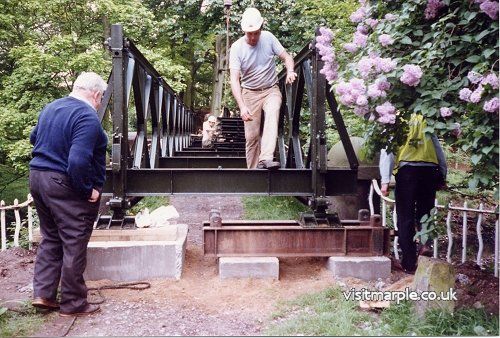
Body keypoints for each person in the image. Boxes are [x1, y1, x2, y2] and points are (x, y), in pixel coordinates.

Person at [29, 71, 108, 316]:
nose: (100, 102)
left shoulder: (51, 107)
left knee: (51, 237)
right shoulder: (86, 116)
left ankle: (43, 295)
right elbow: (77, 161)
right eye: (101, 97)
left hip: (37, 178)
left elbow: (34, 138)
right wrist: (88, 190)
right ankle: (73, 303)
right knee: (74, 241)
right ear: (95, 94)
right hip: (62, 183)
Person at [229, 7, 297, 169]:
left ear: (261, 28)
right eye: (249, 33)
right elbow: (234, 79)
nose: (253, 37)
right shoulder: (237, 48)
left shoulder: (269, 38)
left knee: (273, 112)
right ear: (244, 31)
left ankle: (265, 158)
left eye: (256, 33)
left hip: (270, 90)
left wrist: (290, 71)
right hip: (250, 94)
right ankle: (253, 175)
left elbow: (287, 57)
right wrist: (242, 106)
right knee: (251, 137)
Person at [379, 113, 447, 274]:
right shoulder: (427, 118)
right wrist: (443, 174)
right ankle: (425, 246)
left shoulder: (395, 118)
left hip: (407, 172)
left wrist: (385, 180)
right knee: (426, 213)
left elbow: (388, 151)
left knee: (405, 217)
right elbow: (438, 149)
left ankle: (409, 264)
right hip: (429, 172)